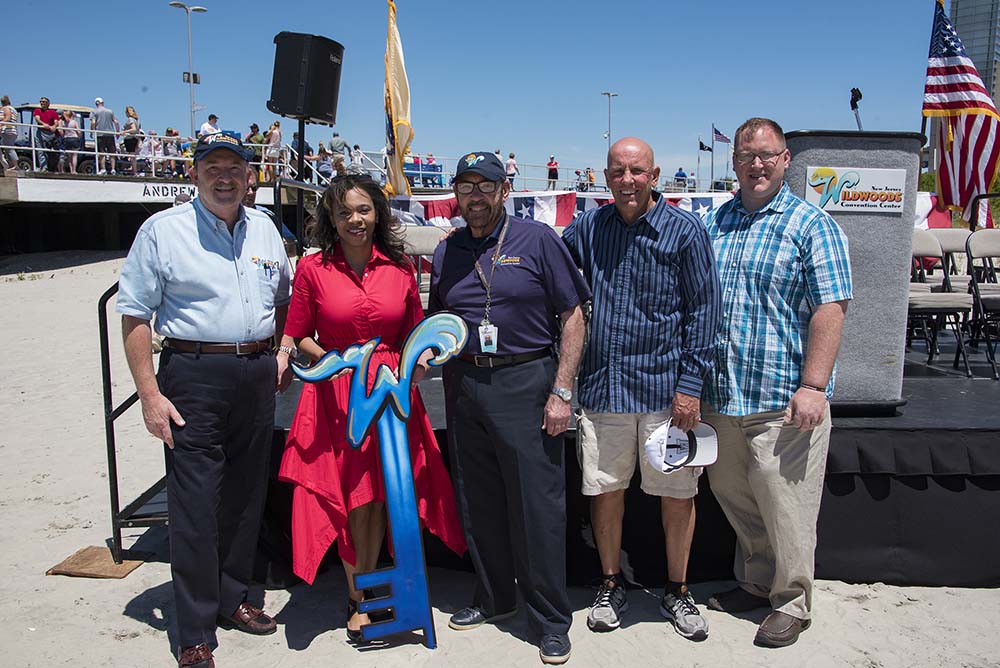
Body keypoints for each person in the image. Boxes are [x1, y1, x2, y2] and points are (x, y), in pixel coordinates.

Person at [116, 132, 292, 668]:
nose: (224, 177)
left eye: (234, 168)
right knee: (194, 504)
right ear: (193, 174)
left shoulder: (265, 229)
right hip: (193, 375)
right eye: (212, 167)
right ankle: (193, 630)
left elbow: (285, 298)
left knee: (244, 495)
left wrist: (281, 350)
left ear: (249, 177)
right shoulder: (162, 232)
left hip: (258, 373)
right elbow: (134, 315)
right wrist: (149, 394)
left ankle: (234, 597)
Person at [277, 174, 466, 641]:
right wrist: (337, 365)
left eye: (363, 209)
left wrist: (418, 363)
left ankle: (380, 588)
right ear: (331, 219)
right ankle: (359, 597)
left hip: (391, 392)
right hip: (338, 394)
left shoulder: (401, 266)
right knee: (350, 498)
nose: (354, 220)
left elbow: (415, 334)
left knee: (384, 495)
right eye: (344, 212)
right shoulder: (312, 270)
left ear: (378, 213)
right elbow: (298, 333)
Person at [429, 151, 591, 665]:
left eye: (486, 186)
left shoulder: (538, 239)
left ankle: (549, 618)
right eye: (466, 186)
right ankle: (496, 597)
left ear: (504, 191)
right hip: (465, 381)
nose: (475, 196)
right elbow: (438, 321)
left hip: (526, 379)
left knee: (536, 508)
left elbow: (573, 315)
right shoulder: (447, 249)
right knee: (478, 500)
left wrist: (562, 390)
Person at [561, 137, 721, 640]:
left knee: (677, 494)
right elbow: (553, 277)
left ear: (655, 176)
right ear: (604, 177)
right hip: (605, 390)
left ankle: (677, 590)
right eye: (618, 171)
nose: (627, 180)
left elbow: (704, 311)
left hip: (667, 395)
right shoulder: (588, 229)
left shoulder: (684, 231)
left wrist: (691, 385)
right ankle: (611, 583)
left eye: (637, 170)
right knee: (605, 491)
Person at [702, 117, 853, 648]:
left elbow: (830, 309)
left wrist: (814, 385)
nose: (757, 164)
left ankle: (792, 601)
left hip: (783, 398)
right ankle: (756, 581)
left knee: (786, 505)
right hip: (722, 397)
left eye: (767, 155)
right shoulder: (716, 224)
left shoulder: (813, 225)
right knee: (735, 493)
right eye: (747, 156)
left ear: (786, 160)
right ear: (735, 162)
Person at [91, 97, 120, 175]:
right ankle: (113, 169)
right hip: (110, 134)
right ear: (103, 103)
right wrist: (118, 132)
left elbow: (93, 122)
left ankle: (103, 169)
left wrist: (91, 132)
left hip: (100, 134)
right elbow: (116, 122)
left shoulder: (94, 112)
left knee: (102, 152)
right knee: (112, 153)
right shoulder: (110, 111)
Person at [32, 97, 59, 172]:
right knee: (41, 150)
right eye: (41, 102)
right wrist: (44, 124)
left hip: (50, 133)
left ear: (48, 104)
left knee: (51, 151)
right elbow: (37, 119)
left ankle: (53, 167)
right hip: (41, 132)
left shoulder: (53, 112)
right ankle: (43, 167)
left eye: (44, 102)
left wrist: (54, 126)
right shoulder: (37, 111)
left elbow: (56, 121)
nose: (42, 103)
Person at [58, 109, 82, 174]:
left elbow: (60, 131)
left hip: (66, 139)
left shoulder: (63, 122)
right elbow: (79, 131)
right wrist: (79, 137)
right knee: (74, 156)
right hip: (74, 138)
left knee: (69, 157)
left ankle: (71, 170)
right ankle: (74, 170)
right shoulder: (74, 122)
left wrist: (63, 136)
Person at [121, 106, 141, 175]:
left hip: (130, 139)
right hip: (134, 138)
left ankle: (134, 171)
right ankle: (133, 170)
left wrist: (124, 132)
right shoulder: (137, 120)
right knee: (132, 156)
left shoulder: (130, 119)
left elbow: (134, 129)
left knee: (132, 156)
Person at [1, 95, 18, 171]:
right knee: (8, 147)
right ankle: (10, 165)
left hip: (8, 130)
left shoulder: (6, 108)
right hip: (12, 130)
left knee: (9, 148)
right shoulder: (13, 109)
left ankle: (14, 165)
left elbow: (7, 117)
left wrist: (1, 124)